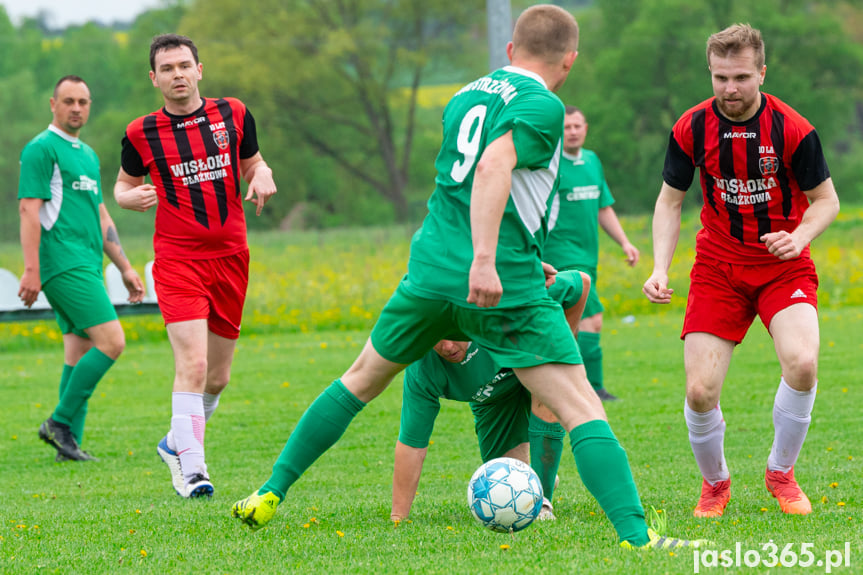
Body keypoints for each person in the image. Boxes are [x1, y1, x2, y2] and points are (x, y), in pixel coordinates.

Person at [232, 5, 701, 551]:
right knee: (581, 406)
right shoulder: (543, 105)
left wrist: (507, 249)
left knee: (359, 378)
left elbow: (466, 183)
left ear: (510, 50)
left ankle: (269, 492)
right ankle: (638, 538)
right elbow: (492, 167)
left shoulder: (463, 96)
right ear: (569, 61)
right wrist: (486, 258)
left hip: (430, 271)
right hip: (496, 280)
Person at [643, 24, 839, 518]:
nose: (730, 88)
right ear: (710, 72)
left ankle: (781, 474)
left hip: (783, 267)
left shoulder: (793, 129)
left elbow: (826, 201)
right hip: (718, 267)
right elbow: (670, 202)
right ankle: (716, 485)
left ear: (762, 74)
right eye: (721, 77)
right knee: (700, 390)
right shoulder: (691, 127)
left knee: (803, 361)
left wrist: (799, 237)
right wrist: (660, 268)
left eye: (742, 77)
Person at [114, 34, 277, 498]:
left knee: (218, 377)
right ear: (155, 78)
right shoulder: (138, 132)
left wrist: (262, 173)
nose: (177, 75)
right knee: (194, 362)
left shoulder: (234, 113)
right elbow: (123, 187)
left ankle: (174, 444)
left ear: (199, 70)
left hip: (230, 257)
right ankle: (193, 470)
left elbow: (254, 164)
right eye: (167, 69)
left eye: (184, 65)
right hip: (177, 260)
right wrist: (131, 198)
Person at [391, 270, 589, 522]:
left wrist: (562, 348)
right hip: (494, 401)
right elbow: (412, 445)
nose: (448, 347)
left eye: (451, 334)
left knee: (548, 381)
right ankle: (537, 472)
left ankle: (542, 504)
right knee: (507, 478)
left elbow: (580, 283)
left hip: (533, 364)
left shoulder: (498, 303)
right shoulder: (422, 368)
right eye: (434, 338)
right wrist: (398, 519)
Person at [18, 75, 144, 462]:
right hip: (63, 263)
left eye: (83, 102)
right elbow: (29, 209)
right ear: (52, 104)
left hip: (88, 263)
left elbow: (100, 213)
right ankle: (58, 423)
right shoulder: (42, 149)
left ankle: (67, 445)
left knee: (79, 349)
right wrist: (31, 270)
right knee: (112, 341)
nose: (77, 108)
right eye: (69, 101)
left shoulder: (88, 155)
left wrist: (123, 266)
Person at [543, 106, 640, 402]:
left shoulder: (592, 161)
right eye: (567, 127)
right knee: (592, 319)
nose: (572, 131)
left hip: (589, 255)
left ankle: (565, 386)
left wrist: (624, 242)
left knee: (567, 326)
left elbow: (603, 206)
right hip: (561, 255)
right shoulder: (550, 165)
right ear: (559, 131)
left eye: (577, 126)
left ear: (585, 128)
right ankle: (592, 388)